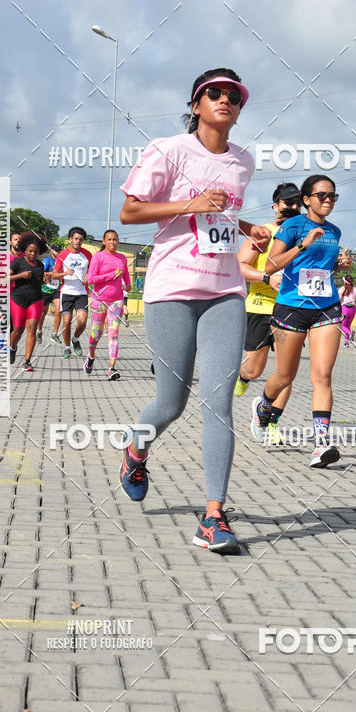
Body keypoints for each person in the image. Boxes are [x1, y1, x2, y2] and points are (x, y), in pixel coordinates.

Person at [119, 67, 270, 555]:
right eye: (215, 94)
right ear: (196, 104)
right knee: (171, 402)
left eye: (234, 96)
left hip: (225, 289)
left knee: (218, 401)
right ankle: (136, 449)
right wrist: (190, 202)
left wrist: (246, 226)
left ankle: (213, 516)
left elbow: (218, 213)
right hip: (172, 287)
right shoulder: (168, 150)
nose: (225, 100)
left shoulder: (244, 160)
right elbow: (131, 213)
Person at [250, 175, 351, 468]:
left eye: (333, 195)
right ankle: (264, 407)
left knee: (322, 376)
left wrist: (338, 265)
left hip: (326, 307)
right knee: (285, 376)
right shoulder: (292, 226)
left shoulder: (334, 231)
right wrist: (303, 245)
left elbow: (320, 267)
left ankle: (320, 445)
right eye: (322, 195)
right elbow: (271, 265)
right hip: (291, 307)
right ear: (306, 200)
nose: (328, 200)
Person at [233, 182, 302, 444]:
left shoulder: (305, 235)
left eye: (297, 202)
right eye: (287, 202)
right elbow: (239, 266)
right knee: (255, 369)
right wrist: (265, 277)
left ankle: (269, 420)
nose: (292, 206)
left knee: (286, 372)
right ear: (275, 206)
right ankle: (243, 374)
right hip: (260, 306)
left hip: (293, 308)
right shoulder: (262, 234)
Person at [84, 230, 131, 378]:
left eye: (115, 239)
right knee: (97, 333)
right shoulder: (98, 257)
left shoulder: (122, 258)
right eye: (109, 239)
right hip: (98, 300)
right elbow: (90, 279)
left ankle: (111, 369)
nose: (112, 242)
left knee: (114, 334)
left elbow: (126, 278)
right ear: (104, 241)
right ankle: (91, 356)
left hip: (116, 301)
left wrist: (127, 286)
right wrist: (111, 275)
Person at [51, 227, 92, 359]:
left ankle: (75, 339)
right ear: (70, 239)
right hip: (67, 292)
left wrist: (88, 275)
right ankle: (67, 347)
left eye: (80, 239)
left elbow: (93, 271)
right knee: (67, 321)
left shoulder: (88, 255)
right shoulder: (62, 255)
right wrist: (65, 273)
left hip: (82, 292)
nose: (78, 241)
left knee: (82, 320)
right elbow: (54, 275)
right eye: (75, 239)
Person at [9, 232, 48, 372]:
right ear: (24, 250)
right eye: (30, 251)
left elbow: (40, 279)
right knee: (18, 329)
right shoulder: (17, 262)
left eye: (36, 252)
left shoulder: (40, 265)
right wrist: (21, 275)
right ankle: (12, 347)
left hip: (35, 300)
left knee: (31, 328)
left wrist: (45, 280)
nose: (33, 253)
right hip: (18, 299)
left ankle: (27, 361)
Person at [37, 243, 62, 344]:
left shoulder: (62, 261)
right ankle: (39, 331)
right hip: (45, 290)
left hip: (57, 289)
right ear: (51, 250)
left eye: (59, 250)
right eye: (56, 250)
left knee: (59, 310)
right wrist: (54, 274)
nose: (58, 252)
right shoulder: (47, 261)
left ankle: (54, 334)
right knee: (43, 313)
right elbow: (41, 272)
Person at [339, 275, 356, 347]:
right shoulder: (355, 289)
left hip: (344, 308)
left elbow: (339, 299)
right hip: (353, 309)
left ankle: (350, 333)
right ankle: (346, 342)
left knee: (342, 325)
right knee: (348, 325)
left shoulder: (342, 289)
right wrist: (355, 304)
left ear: (345, 282)